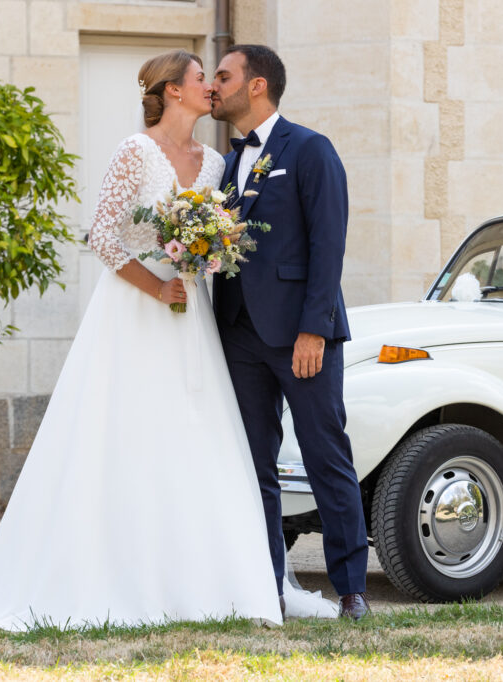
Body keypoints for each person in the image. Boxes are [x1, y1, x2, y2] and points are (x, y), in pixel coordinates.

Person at [0, 50, 283, 630]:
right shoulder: (134, 151)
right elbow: (104, 237)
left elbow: (215, 237)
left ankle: (198, 582)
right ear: (171, 91)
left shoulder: (216, 163)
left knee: (191, 434)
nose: (209, 88)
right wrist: (155, 288)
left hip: (190, 313)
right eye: (200, 79)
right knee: (122, 431)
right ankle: (109, 575)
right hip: (133, 311)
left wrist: (204, 259)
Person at [210, 45, 371, 620]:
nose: (215, 86)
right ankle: (267, 586)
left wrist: (314, 331)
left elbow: (329, 245)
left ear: (256, 86)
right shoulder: (226, 164)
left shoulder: (310, 149)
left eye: (223, 76)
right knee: (255, 464)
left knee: (327, 456)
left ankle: (352, 590)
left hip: (302, 336)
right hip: (239, 335)